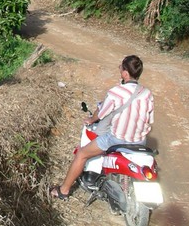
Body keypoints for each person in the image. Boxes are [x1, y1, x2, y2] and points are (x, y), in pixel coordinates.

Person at [50, 55, 155, 199]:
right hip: (139, 142)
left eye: (121, 67)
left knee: (81, 154)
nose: (120, 70)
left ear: (125, 73)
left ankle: (63, 190)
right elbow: (149, 119)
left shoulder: (116, 92)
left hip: (116, 139)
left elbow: (101, 114)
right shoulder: (147, 93)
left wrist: (91, 119)